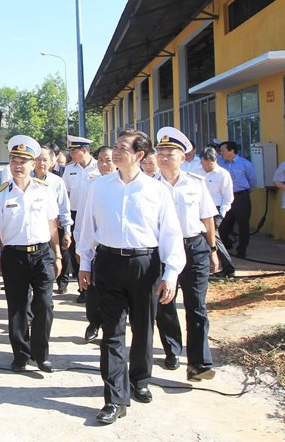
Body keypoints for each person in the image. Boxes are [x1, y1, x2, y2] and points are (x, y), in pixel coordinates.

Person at [78, 129, 185, 426]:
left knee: (142, 327)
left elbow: (171, 234)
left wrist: (171, 273)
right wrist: (85, 261)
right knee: (112, 333)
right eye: (115, 146)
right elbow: (87, 225)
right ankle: (115, 399)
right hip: (108, 262)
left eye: (123, 148)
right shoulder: (99, 186)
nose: (116, 152)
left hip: (145, 264)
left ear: (139, 154)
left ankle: (140, 379)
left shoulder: (156, 191)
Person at [0, 135, 61, 373]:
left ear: (33, 164)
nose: (18, 166)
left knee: (45, 305)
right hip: (14, 256)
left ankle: (41, 355)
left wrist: (58, 255)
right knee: (17, 308)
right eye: (14, 161)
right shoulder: (0, 194)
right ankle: (21, 354)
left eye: (23, 161)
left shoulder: (45, 191)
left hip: (42, 254)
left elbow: (52, 225)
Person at [152, 127, 220, 381]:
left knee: (197, 305)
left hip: (194, 247)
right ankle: (172, 350)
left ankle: (198, 364)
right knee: (165, 304)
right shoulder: (149, 186)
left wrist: (212, 250)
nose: (164, 157)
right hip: (162, 251)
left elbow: (207, 218)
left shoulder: (196, 183)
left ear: (183, 157)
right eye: (160, 152)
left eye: (170, 153)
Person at [74, 146, 114, 343]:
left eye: (108, 160)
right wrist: (79, 244)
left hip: (118, 247)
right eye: (101, 160)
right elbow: (83, 216)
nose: (104, 164)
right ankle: (94, 323)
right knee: (94, 289)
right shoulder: (93, 185)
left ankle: (111, 328)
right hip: (97, 246)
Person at [63, 136, 99, 302]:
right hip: (74, 213)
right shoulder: (69, 169)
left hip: (94, 214)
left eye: (74, 151)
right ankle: (83, 288)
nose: (71, 154)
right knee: (77, 250)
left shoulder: (98, 167)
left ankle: (95, 286)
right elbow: (65, 193)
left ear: (84, 150)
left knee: (94, 249)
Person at [32, 146, 72, 293]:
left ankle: (62, 282)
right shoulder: (25, 179)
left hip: (55, 225)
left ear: (51, 162)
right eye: (38, 159)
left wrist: (67, 231)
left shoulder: (57, 181)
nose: (41, 163)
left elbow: (64, 207)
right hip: (34, 228)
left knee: (61, 253)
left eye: (45, 160)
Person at [200, 147, 236, 277]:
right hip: (199, 209)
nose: (206, 166)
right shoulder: (196, 172)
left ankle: (228, 267)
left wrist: (221, 213)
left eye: (209, 163)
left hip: (216, 210)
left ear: (215, 160)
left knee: (213, 237)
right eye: (204, 163)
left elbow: (228, 197)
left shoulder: (223, 174)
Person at [219, 141, 257, 258]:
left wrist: (244, 193)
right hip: (225, 197)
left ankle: (242, 249)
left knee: (243, 224)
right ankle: (227, 244)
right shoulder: (220, 162)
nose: (221, 153)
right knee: (223, 223)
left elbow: (252, 181)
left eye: (223, 150)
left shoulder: (245, 164)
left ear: (231, 151)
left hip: (241, 196)